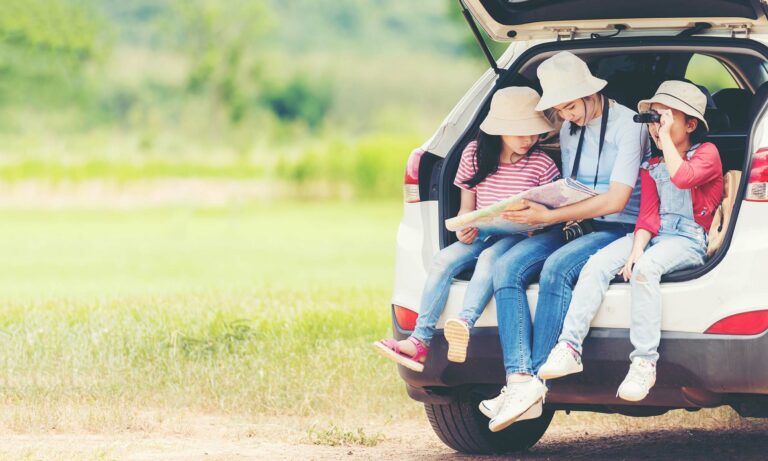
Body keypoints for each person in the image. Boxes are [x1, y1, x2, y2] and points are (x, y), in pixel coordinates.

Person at [484, 51, 649, 432]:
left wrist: (545, 217)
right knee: (505, 267)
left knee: (558, 268)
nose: (567, 116)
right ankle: (520, 380)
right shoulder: (568, 126)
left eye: (571, 106)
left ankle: (537, 383)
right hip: (572, 221)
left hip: (616, 227)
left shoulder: (630, 126)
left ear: (591, 92)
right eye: (559, 109)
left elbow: (616, 200)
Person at [538, 80, 723, 402]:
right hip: (655, 235)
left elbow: (683, 178)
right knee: (596, 265)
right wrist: (636, 248)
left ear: (691, 124)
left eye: (664, 120)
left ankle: (643, 362)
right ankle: (569, 346)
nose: (656, 128)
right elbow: (648, 216)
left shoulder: (707, 154)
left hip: (689, 238)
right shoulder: (651, 165)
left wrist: (664, 139)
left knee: (645, 270)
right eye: (652, 120)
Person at [373, 87, 559, 371]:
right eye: (520, 132)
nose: (528, 139)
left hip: (519, 236)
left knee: (488, 260)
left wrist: (536, 223)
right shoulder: (473, 154)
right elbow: (465, 208)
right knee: (442, 260)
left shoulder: (541, 165)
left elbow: (551, 213)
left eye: (533, 132)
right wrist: (465, 228)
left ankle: (464, 322)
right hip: (483, 232)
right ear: (499, 130)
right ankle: (419, 342)